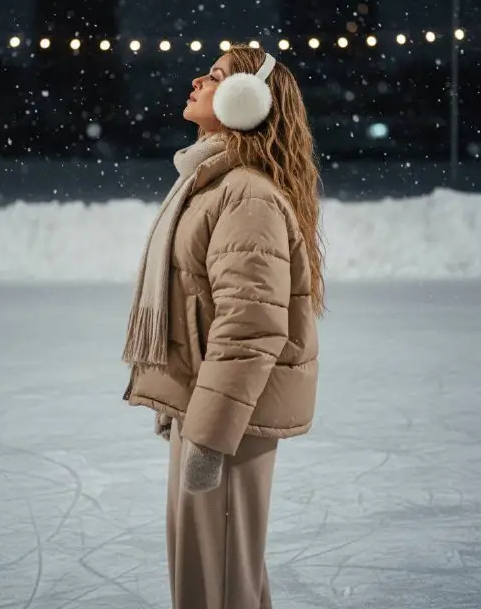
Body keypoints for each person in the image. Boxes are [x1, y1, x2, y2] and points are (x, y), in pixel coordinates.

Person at [122, 42, 324, 609]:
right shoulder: (215, 182)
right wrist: (186, 404)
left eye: (214, 76)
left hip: (231, 422)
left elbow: (249, 327)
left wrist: (209, 435)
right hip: (212, 407)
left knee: (220, 582)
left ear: (244, 100)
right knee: (210, 573)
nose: (197, 82)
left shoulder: (246, 195)